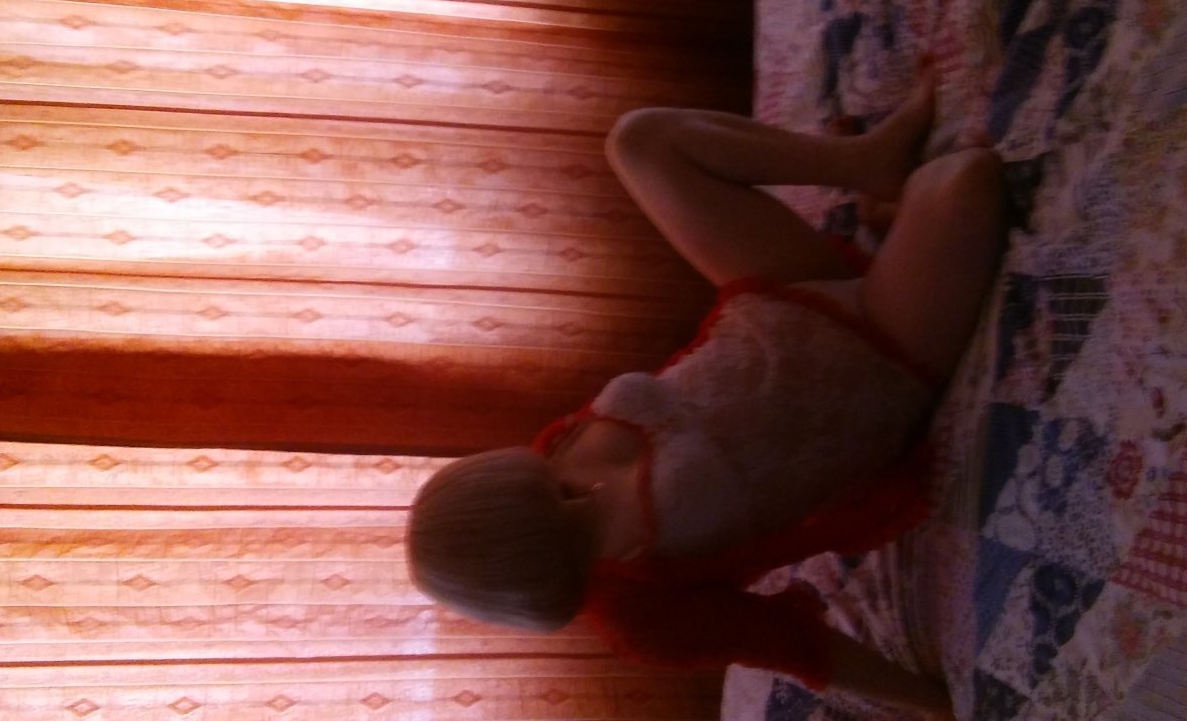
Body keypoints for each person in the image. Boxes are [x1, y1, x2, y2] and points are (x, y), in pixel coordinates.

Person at [407, 62, 1003, 720]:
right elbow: (789, 644)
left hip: (779, 296)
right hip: (884, 358)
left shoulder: (553, 455)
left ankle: (864, 163)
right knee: (963, 180)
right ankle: (896, 217)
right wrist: (928, 702)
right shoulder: (640, 614)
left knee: (640, 142)